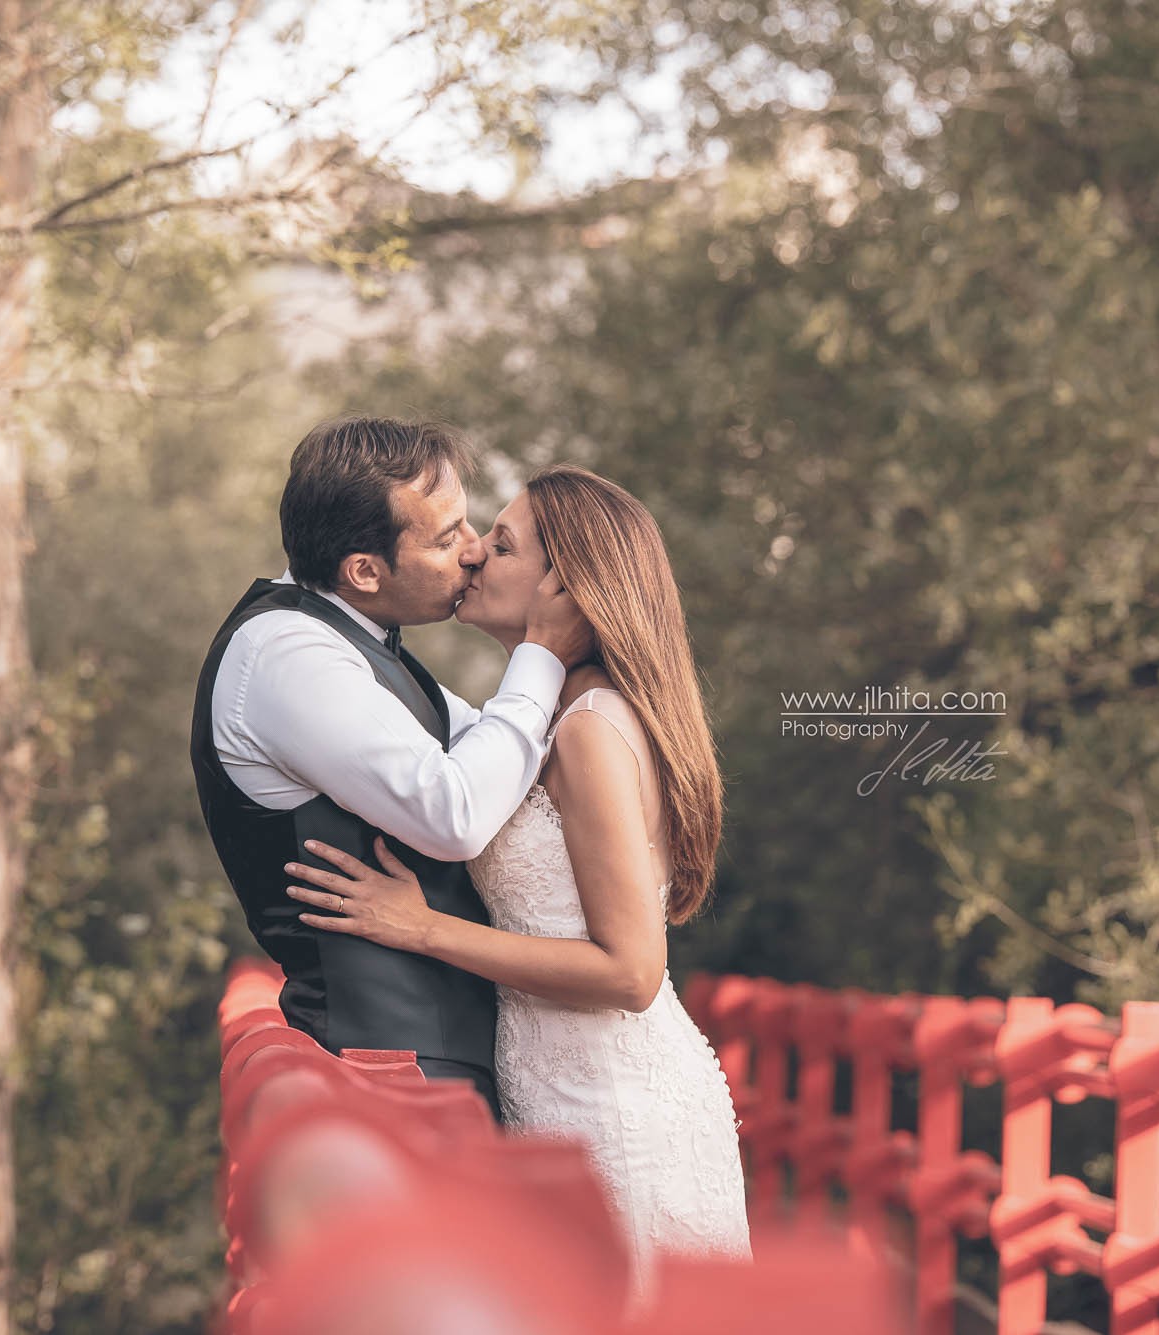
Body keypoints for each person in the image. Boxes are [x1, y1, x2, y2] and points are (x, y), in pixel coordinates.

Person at [279, 464, 753, 1283]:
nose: (471, 555)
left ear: (564, 587)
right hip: (554, 1104)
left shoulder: (590, 728)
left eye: (500, 545)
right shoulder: (541, 720)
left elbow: (632, 970)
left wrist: (422, 928)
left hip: (618, 1117)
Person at [189, 416, 593, 1120]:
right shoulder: (289, 655)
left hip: (426, 1065)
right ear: (365, 571)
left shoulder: (357, 642)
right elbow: (456, 813)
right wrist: (543, 653)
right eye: (447, 537)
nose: (473, 551)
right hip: (387, 1073)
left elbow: (500, 750)